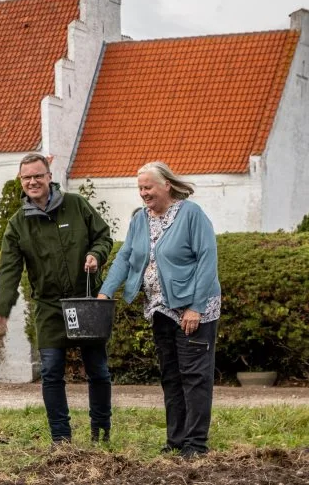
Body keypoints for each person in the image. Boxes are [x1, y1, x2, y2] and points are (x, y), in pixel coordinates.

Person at [98, 162, 221, 458]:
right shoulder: (140, 219)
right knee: (171, 376)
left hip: (193, 310)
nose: (143, 193)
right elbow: (125, 257)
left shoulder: (191, 214)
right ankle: (176, 440)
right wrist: (105, 291)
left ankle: (196, 444)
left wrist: (196, 308)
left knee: (194, 376)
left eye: (148, 187)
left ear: (166, 185)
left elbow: (207, 260)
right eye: (140, 188)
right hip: (159, 310)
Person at [0, 153, 114, 445]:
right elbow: (9, 272)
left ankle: (101, 431)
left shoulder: (76, 205)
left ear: (49, 177)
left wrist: (96, 255)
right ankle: (61, 437)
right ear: (20, 181)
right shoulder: (18, 224)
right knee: (50, 371)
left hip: (85, 302)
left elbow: (104, 237)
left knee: (97, 370)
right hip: (49, 307)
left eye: (37, 175)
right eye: (26, 177)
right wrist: (2, 311)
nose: (32, 181)